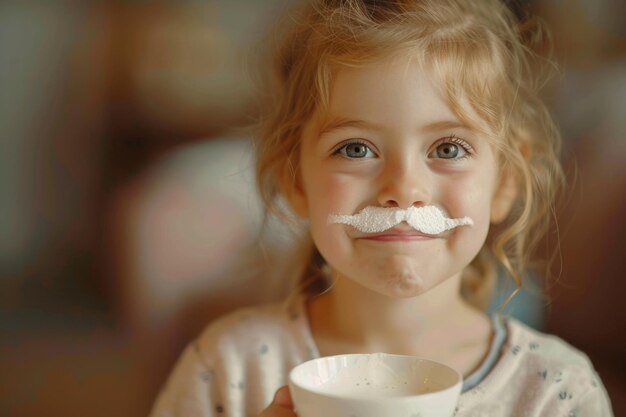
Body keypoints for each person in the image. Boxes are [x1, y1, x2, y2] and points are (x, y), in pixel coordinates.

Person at [149, 0, 614, 416]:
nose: (404, 190)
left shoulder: (554, 390)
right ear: (295, 181)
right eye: (355, 149)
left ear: (505, 182)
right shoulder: (228, 367)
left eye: (448, 149)